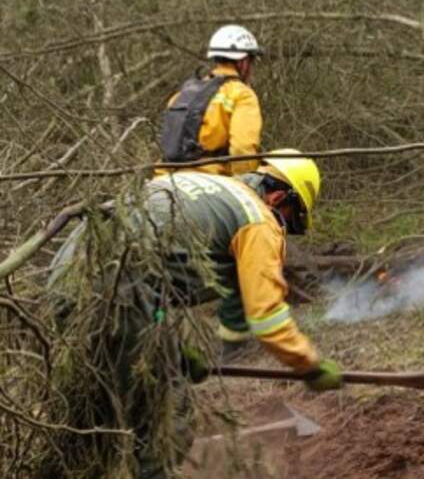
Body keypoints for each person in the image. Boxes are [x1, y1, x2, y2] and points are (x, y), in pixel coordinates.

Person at [48, 149, 339, 477]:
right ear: (278, 196)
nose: (286, 227)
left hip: (68, 278)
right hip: (114, 293)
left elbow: (155, 277)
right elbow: (267, 318)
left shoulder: (204, 184)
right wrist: (310, 364)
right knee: (168, 418)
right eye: (291, 217)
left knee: (95, 421)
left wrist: (173, 353)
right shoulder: (257, 219)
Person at [158, 25, 264, 176]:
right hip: (213, 183)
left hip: (170, 181)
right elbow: (243, 149)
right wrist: (247, 186)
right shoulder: (241, 94)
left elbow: (166, 149)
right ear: (243, 61)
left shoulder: (181, 95)